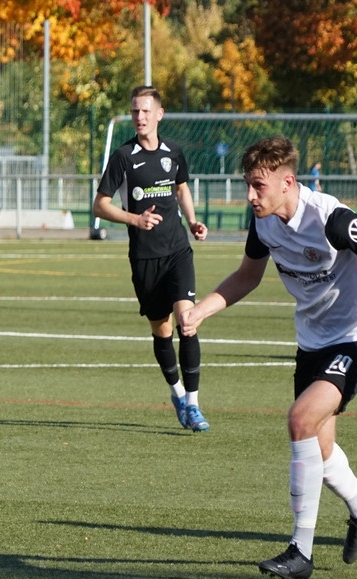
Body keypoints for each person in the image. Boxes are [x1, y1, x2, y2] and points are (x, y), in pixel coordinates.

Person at [180, 136, 357, 579]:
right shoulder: (263, 223)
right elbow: (247, 276)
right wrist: (202, 311)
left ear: (287, 182)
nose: (250, 195)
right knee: (319, 451)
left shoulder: (332, 219)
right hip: (312, 342)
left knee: (300, 419)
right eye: (248, 185)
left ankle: (300, 551)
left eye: (258, 186)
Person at [92, 85, 211, 432]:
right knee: (163, 330)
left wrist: (193, 221)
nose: (139, 117)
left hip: (178, 251)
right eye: (135, 111)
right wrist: (135, 219)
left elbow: (181, 188)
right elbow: (100, 205)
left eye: (145, 111)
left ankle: (194, 404)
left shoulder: (174, 151)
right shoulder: (123, 157)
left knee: (187, 322)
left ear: (159, 114)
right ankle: (177, 394)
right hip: (145, 257)